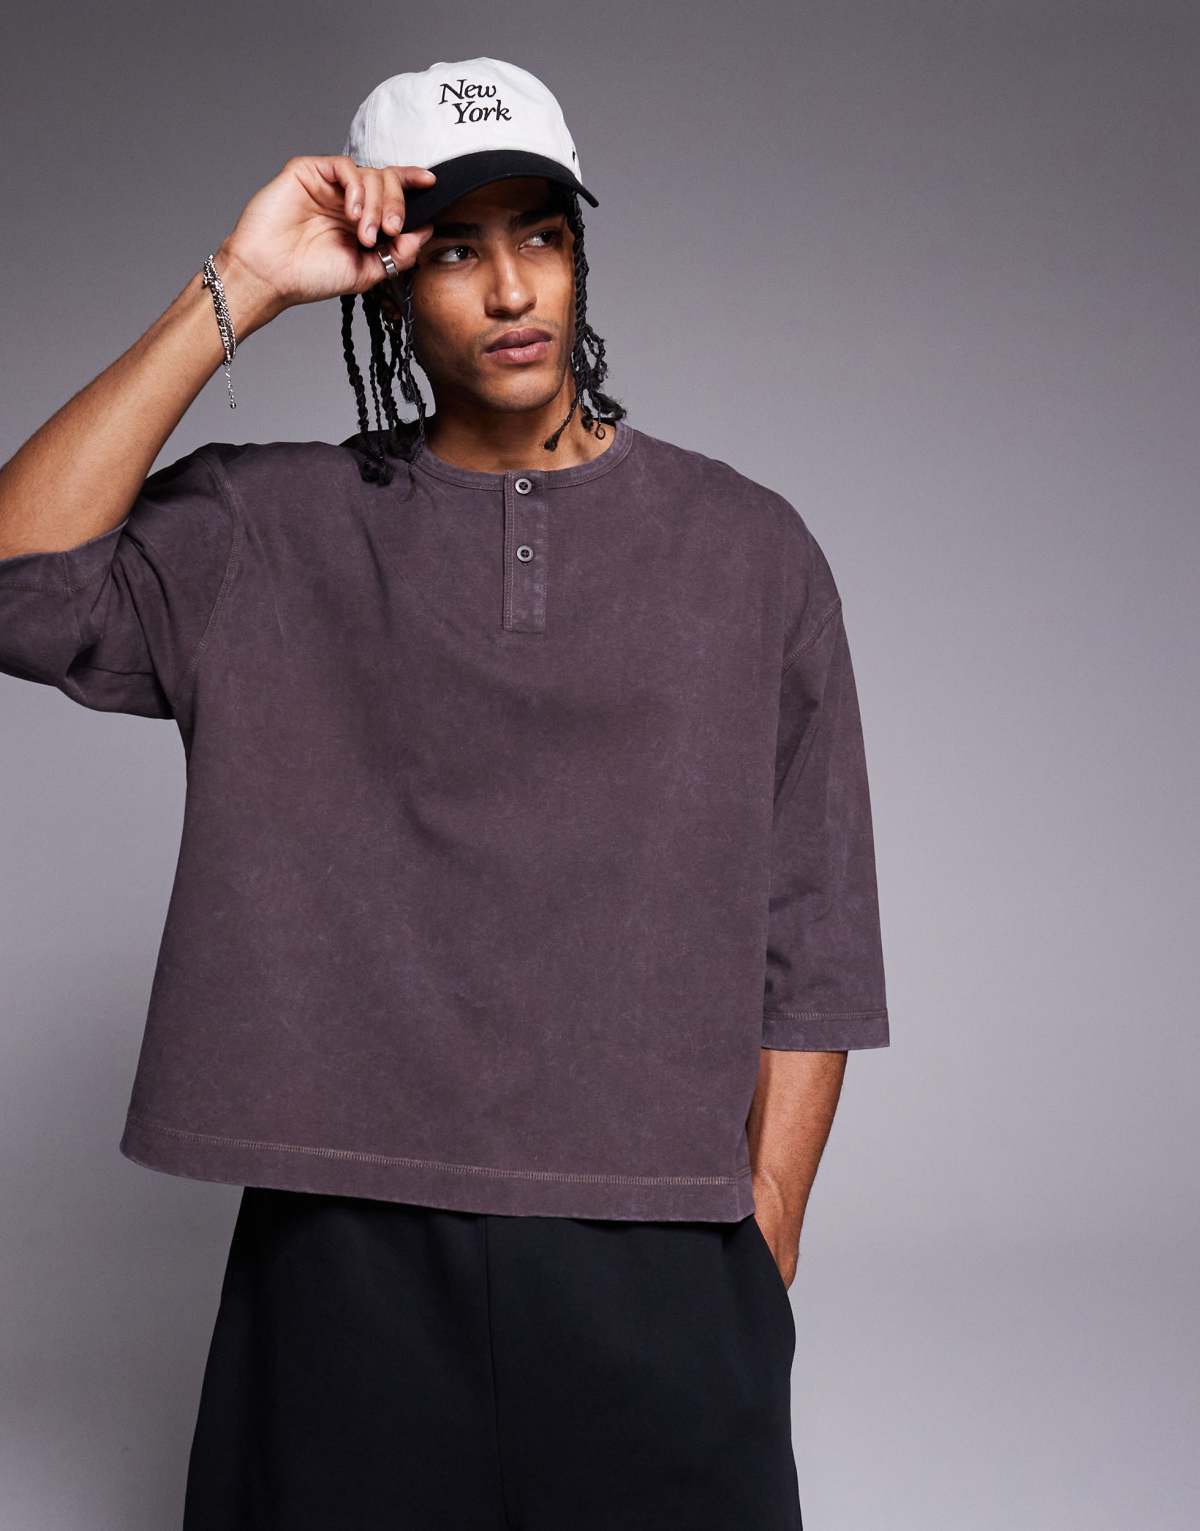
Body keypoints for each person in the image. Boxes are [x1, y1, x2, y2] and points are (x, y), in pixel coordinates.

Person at [0, 55, 891, 1531]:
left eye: (540, 235)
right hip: (344, 1242)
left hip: (657, 1247)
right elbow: (21, 587)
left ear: (582, 257)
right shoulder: (264, 527)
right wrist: (240, 281)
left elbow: (816, 924)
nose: (510, 288)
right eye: (455, 249)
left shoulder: (749, 549)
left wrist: (773, 1209)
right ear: (389, 288)